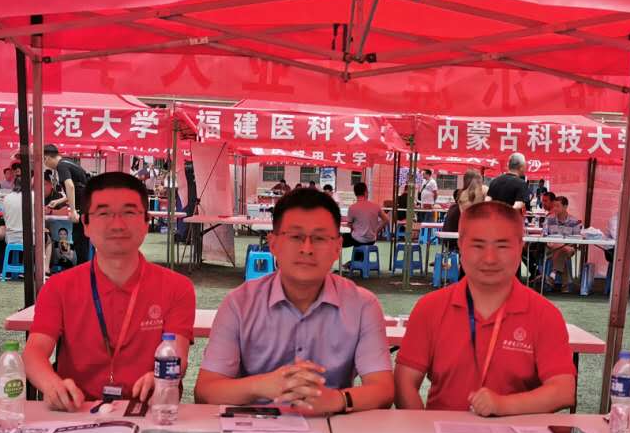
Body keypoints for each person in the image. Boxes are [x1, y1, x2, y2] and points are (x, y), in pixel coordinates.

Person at [195, 188, 395, 415]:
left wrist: (337, 399)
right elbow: (206, 390)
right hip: (253, 427)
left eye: (319, 238)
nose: (307, 249)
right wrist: (261, 385)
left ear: (337, 247)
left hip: (332, 426)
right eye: (295, 237)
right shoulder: (239, 304)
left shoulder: (362, 305)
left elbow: (383, 389)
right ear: (273, 244)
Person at [25, 172, 195, 410]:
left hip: (149, 411)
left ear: (146, 222)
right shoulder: (59, 287)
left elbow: (178, 355)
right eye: (104, 213)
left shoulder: (177, 287)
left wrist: (162, 379)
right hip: (79, 410)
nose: (117, 225)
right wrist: (52, 385)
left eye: (129, 212)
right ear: (85, 224)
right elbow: (34, 352)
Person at [395, 200, 576, 415]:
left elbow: (563, 390)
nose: (489, 259)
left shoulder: (544, 314)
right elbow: (404, 383)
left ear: (521, 246)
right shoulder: (430, 308)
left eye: (502, 246)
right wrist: (423, 430)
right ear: (460, 245)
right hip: (440, 432)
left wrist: (502, 405)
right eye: (478, 246)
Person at [43, 144, 91, 264]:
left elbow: (70, 186)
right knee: (81, 240)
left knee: (80, 240)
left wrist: (73, 211)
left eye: (43, 160)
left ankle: (83, 270)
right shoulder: (67, 162)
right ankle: (84, 269)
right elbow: (77, 187)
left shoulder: (61, 166)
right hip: (87, 203)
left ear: (46, 158)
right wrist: (59, 201)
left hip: (84, 207)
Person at [543, 195, 584, 291]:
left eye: (558, 206)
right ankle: (566, 286)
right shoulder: (549, 219)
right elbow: (544, 236)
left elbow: (578, 238)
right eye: (554, 206)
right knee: (563, 252)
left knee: (563, 251)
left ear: (565, 207)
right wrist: (563, 246)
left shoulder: (574, 221)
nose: (555, 208)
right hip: (553, 248)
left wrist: (563, 246)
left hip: (570, 248)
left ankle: (552, 275)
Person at [343, 181, 387, 252]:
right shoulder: (376, 206)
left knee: (338, 239)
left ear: (355, 193)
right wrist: (376, 231)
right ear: (365, 192)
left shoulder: (352, 207)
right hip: (372, 240)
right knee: (357, 239)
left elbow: (350, 225)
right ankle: (359, 258)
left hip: (358, 239)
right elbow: (386, 220)